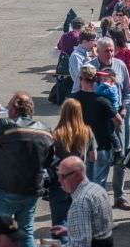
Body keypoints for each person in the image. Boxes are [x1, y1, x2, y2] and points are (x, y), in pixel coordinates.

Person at [0, 93, 53, 247]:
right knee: (26, 231)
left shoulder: (6, 125)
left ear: (15, 109)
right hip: (31, 189)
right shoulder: (45, 130)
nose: (7, 109)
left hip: (6, 188)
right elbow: (49, 160)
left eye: (9, 106)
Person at [88, 37, 130, 211]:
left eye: (112, 50)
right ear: (97, 51)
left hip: (118, 119)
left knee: (121, 157)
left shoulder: (120, 66)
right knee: (97, 159)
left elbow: (128, 92)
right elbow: (79, 91)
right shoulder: (90, 68)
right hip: (97, 122)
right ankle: (95, 198)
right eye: (106, 50)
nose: (110, 54)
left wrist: (124, 110)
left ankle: (119, 197)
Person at [49, 99, 97, 241]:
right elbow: (94, 157)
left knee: (59, 222)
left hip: (60, 182)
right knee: (79, 223)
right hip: (80, 182)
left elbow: (50, 157)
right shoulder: (87, 131)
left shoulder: (57, 133)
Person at [50, 156, 114, 246]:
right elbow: (96, 228)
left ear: (78, 175)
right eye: (58, 175)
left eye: (63, 176)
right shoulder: (97, 189)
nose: (59, 180)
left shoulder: (80, 203)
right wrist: (70, 231)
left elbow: (80, 244)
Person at [69, 28, 97, 94]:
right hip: (81, 90)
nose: (95, 43)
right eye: (93, 40)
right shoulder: (76, 56)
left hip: (89, 88)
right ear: (84, 42)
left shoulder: (87, 52)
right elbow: (80, 76)